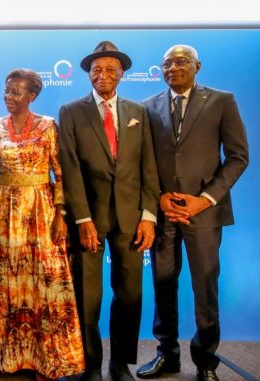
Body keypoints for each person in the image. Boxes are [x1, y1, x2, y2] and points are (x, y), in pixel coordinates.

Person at [0, 69, 85, 380]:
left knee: (44, 286)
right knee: (4, 286)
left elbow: (61, 172)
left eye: (17, 91)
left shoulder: (48, 126)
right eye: (7, 90)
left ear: (32, 95)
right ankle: (6, 357)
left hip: (41, 213)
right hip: (4, 214)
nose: (9, 96)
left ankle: (46, 360)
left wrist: (61, 214)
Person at [136, 45, 249, 381]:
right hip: (165, 213)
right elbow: (144, 162)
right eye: (167, 64)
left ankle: (205, 362)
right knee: (163, 286)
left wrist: (205, 199)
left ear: (197, 66)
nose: (173, 68)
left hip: (204, 214)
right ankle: (167, 355)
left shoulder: (221, 101)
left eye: (181, 62)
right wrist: (158, 199)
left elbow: (238, 156)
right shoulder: (147, 107)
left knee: (205, 287)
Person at [58, 41, 160, 381]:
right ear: (88, 74)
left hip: (132, 220)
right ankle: (91, 365)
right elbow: (70, 169)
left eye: (111, 69)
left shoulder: (138, 113)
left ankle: (120, 363)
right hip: (88, 220)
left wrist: (149, 216)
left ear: (122, 74)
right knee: (88, 297)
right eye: (97, 69)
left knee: (129, 294)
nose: (104, 75)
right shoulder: (71, 111)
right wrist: (82, 218)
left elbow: (149, 167)